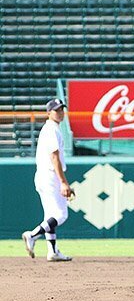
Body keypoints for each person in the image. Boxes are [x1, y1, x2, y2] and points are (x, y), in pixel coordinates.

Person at [21, 98, 73, 262]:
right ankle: (33, 235)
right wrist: (63, 182)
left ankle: (52, 251)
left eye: (61, 109)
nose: (60, 112)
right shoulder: (51, 129)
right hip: (50, 175)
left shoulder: (51, 129)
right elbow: (54, 156)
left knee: (50, 215)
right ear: (48, 113)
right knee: (61, 215)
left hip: (44, 175)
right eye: (56, 110)